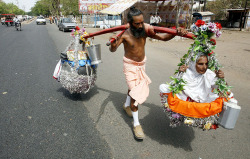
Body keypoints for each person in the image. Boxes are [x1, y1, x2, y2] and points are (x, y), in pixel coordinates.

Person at [109, 7, 188, 140]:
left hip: (142, 65)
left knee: (133, 88)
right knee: (136, 93)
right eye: (137, 23)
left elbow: (163, 38)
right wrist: (112, 43)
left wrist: (175, 33)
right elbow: (113, 49)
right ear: (130, 23)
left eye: (142, 22)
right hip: (130, 66)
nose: (140, 25)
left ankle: (126, 105)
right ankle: (136, 124)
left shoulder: (145, 30)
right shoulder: (124, 34)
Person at [160, 52, 236, 104]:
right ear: (193, 64)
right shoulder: (186, 73)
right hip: (188, 103)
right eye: (200, 64)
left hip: (205, 100)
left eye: (206, 64)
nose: (204, 67)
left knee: (226, 96)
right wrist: (179, 73)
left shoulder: (208, 73)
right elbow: (174, 87)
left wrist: (221, 79)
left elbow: (221, 88)